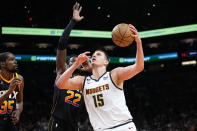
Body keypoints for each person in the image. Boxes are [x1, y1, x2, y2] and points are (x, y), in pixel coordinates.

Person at [56, 24, 144, 131]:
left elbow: (138, 67)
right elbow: (60, 84)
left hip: (123, 126)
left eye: (98, 54)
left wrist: (139, 43)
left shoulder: (114, 74)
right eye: (93, 54)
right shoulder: (83, 81)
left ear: (106, 62)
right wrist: (75, 64)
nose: (94, 55)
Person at [48, 2, 91, 131]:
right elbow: (62, 44)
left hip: (74, 125)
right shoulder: (61, 72)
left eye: (77, 60)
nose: (75, 61)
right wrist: (73, 21)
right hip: (57, 122)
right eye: (72, 60)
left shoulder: (83, 80)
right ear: (66, 64)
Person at [0, 52, 24, 131]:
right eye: (11, 60)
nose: (15, 62)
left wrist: (18, 111)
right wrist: (9, 91)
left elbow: (20, 101)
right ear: (2, 64)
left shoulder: (19, 78)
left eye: (15, 59)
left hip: (12, 122)